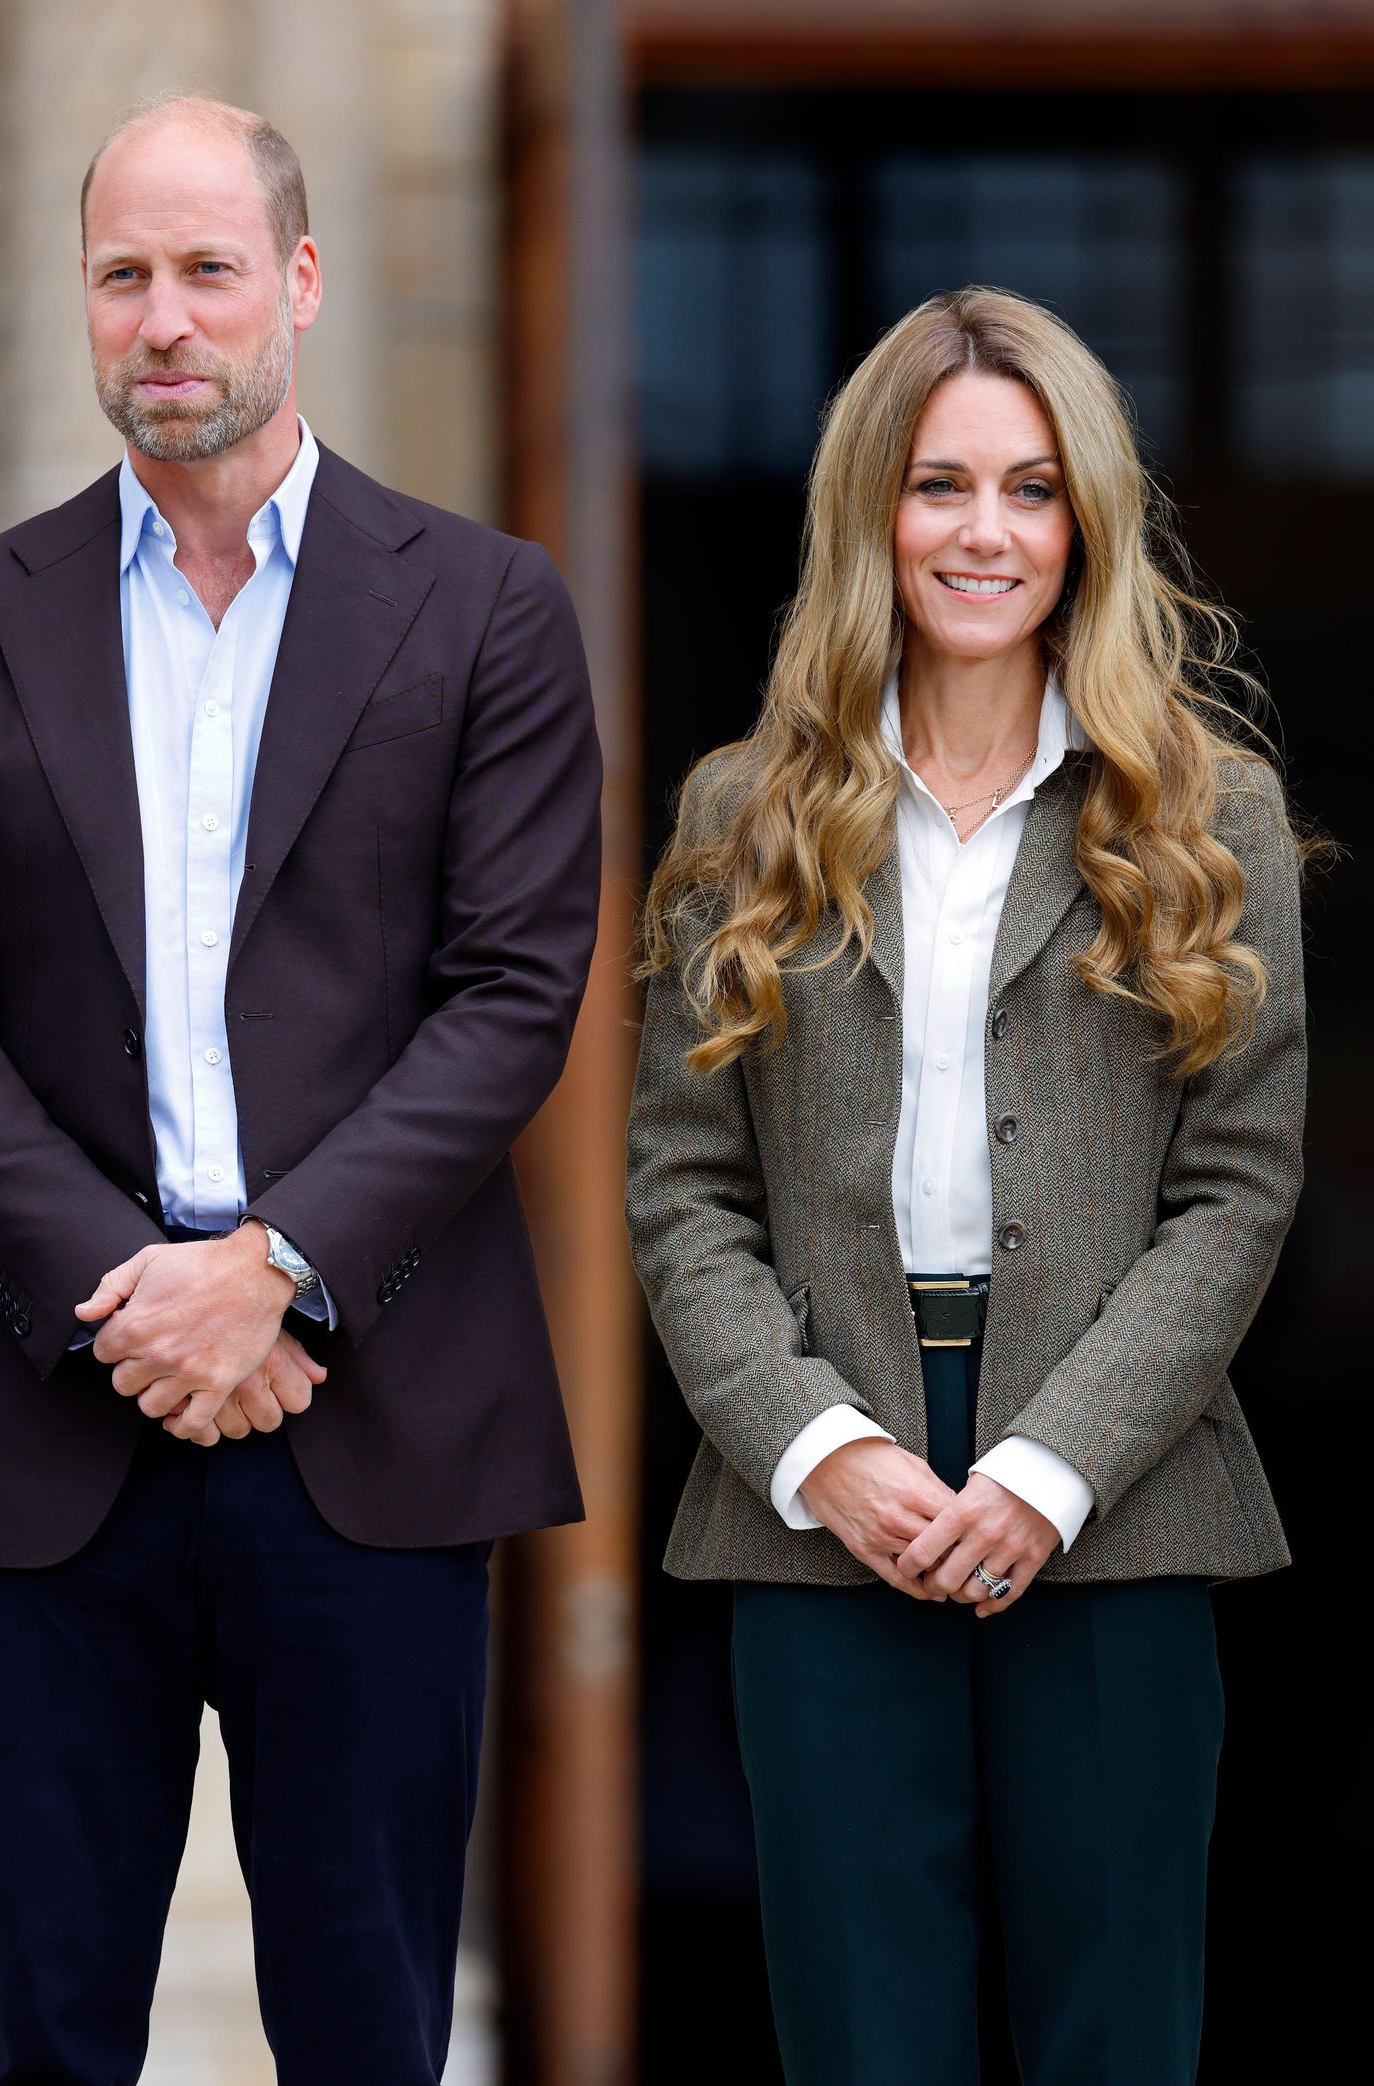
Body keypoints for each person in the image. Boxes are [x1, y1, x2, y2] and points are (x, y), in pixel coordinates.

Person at [0, 91, 600, 2086]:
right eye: (120, 275)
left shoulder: (485, 609)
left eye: (204, 270)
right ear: (85, 305)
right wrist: (133, 1281)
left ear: (301, 283)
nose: (162, 318)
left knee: (365, 2028)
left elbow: (512, 992)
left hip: (371, 1414)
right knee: (41, 2033)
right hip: (46, 1413)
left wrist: (270, 1263)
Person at [625, 285, 1309, 2085]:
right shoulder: (742, 813)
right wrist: (821, 1445)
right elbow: (681, 1189)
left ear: (1085, 517)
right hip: (816, 1488)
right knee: (862, 2041)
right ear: (875, 514)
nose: (984, 532)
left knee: (1117, 2039)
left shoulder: (1204, 816)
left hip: (1120, 1491)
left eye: (1028, 487)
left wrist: (1049, 1463)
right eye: (940, 487)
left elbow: (1238, 1189)